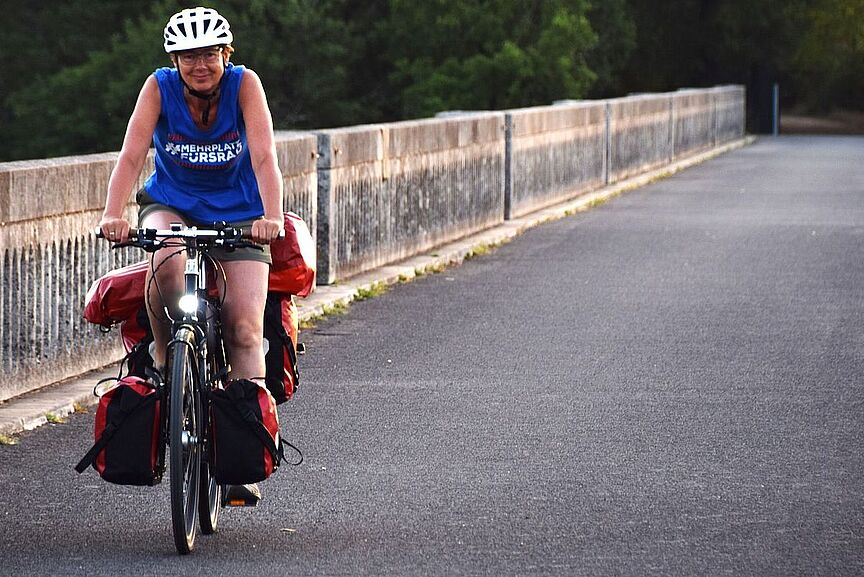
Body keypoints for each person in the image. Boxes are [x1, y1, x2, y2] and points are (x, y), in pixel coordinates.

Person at [98, 6, 283, 505]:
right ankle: (165, 357)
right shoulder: (158, 87)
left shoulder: (245, 85)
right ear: (174, 60)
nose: (199, 65)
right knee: (166, 264)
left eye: (208, 54)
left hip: (241, 213)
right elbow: (132, 153)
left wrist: (272, 215)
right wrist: (115, 212)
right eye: (187, 56)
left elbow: (264, 154)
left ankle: (242, 455)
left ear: (226, 54)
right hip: (172, 204)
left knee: (245, 326)